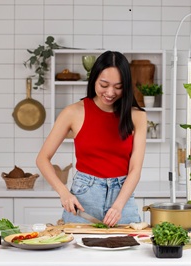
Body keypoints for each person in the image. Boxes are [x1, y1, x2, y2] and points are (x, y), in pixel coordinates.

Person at [36, 51, 147, 227]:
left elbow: (135, 169)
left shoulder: (137, 117)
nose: (110, 92)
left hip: (122, 198)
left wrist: (118, 207)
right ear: (94, 79)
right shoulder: (72, 112)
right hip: (83, 198)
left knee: (130, 250)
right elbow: (42, 159)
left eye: (118, 87)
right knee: (76, 252)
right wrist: (64, 193)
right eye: (104, 84)